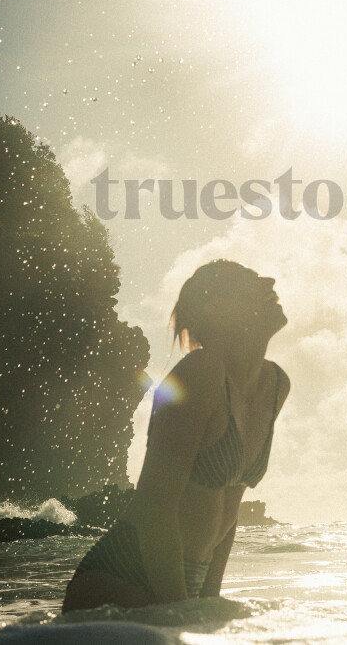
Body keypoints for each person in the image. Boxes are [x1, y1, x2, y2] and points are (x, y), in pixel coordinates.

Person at [62, 259, 290, 611]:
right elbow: (156, 506)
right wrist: (179, 612)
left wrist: (208, 603)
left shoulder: (274, 384)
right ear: (218, 308)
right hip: (119, 582)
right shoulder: (201, 372)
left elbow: (230, 507)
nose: (269, 281)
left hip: (180, 588)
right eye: (250, 281)